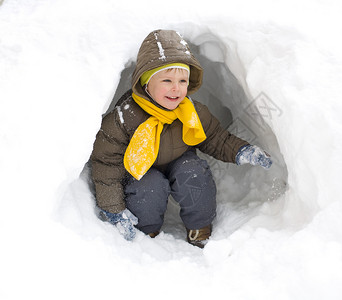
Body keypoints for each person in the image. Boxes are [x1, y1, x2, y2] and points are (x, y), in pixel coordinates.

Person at [90, 29, 272, 248]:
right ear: (146, 83)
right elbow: (106, 163)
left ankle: (200, 227)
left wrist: (241, 151)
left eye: (183, 81)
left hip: (179, 162)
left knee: (194, 173)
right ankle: (146, 233)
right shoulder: (125, 117)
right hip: (141, 171)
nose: (176, 89)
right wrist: (114, 209)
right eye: (167, 80)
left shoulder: (191, 112)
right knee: (148, 187)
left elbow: (216, 138)